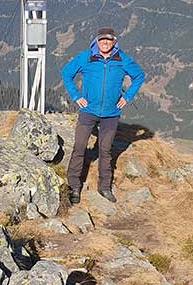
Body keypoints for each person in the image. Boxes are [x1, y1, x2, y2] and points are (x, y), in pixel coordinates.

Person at [60, 27, 146, 204]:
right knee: (80, 147)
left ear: (114, 42)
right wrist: (76, 96)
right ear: (96, 41)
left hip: (111, 114)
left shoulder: (122, 59)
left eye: (109, 40)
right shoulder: (86, 57)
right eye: (102, 40)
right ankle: (74, 186)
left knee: (105, 150)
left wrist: (127, 96)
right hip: (87, 111)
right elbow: (66, 73)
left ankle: (104, 187)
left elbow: (139, 76)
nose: (105, 43)